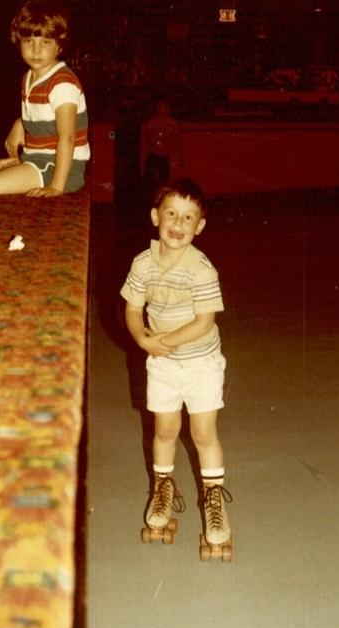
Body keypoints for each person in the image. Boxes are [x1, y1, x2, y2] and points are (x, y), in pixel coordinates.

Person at [120, 178, 232, 558]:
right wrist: (141, 339)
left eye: (188, 217)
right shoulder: (142, 264)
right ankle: (162, 491)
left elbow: (204, 321)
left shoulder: (201, 268)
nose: (178, 224)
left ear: (199, 226)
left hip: (200, 363)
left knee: (203, 433)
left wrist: (162, 342)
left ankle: (214, 501)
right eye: (171, 213)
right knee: (165, 429)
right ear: (156, 217)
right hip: (162, 365)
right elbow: (133, 309)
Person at [0, 0, 90, 211]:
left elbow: (67, 136)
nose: (36, 50)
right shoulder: (28, 78)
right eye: (28, 41)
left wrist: (56, 186)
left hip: (59, 168)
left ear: (60, 45)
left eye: (46, 42)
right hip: (38, 160)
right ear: (18, 41)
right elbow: (41, 115)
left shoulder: (62, 83)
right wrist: (20, 124)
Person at [141, 95, 182, 198]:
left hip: (164, 156)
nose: (162, 109)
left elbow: (177, 142)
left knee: (164, 180)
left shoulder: (172, 124)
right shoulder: (150, 123)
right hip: (152, 155)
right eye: (160, 106)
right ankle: (148, 197)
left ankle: (162, 197)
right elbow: (146, 141)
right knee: (149, 180)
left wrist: (178, 157)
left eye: (164, 106)